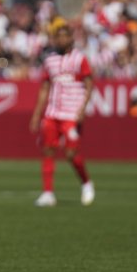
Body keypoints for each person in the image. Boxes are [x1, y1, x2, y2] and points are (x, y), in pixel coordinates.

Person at [29, 24, 95, 207]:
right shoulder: (50, 60)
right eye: (58, 37)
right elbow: (44, 88)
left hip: (72, 114)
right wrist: (36, 114)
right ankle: (48, 193)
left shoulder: (80, 59)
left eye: (64, 36)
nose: (61, 40)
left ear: (71, 38)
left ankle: (86, 183)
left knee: (71, 153)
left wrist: (83, 109)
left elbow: (90, 84)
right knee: (48, 150)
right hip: (52, 113)